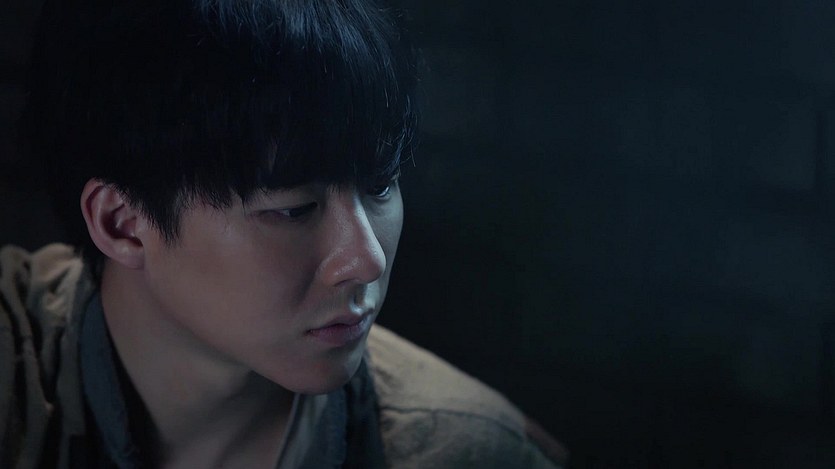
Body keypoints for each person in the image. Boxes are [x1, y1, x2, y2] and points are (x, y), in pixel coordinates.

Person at [0, 0, 566, 467]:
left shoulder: (464, 451)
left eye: (381, 185)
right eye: (295, 210)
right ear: (122, 224)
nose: (367, 259)